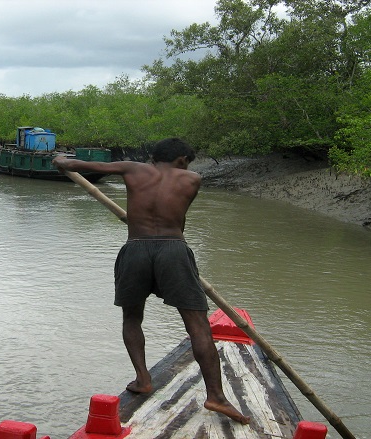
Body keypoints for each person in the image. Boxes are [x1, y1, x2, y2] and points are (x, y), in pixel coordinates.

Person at [52, 138, 251, 425]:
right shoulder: (193, 179)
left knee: (132, 317)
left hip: (136, 248)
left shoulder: (132, 169)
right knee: (197, 324)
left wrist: (60, 160)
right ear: (182, 159)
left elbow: (72, 165)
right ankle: (216, 396)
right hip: (173, 248)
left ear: (153, 157)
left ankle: (143, 379)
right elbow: (177, 219)